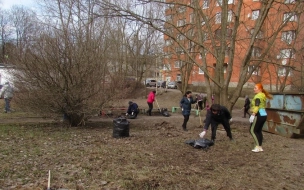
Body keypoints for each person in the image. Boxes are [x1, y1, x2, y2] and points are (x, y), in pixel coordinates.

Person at [249, 83, 273, 153]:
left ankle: (257, 146)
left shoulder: (258, 96)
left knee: (252, 130)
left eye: (255, 88)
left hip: (258, 115)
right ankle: (260, 146)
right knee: (258, 131)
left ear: (260, 89)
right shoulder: (263, 95)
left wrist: (253, 114)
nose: (254, 89)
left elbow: (257, 106)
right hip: (264, 115)